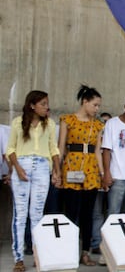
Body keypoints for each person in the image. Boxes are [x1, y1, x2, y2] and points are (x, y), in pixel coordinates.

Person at [6, 90, 60, 272]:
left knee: (37, 215)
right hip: (22, 165)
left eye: (47, 104)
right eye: (43, 104)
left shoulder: (50, 124)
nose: (46, 107)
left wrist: (57, 171)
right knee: (20, 215)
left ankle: (38, 256)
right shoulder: (17, 123)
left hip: (43, 168)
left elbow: (54, 149)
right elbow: (10, 149)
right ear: (32, 105)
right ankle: (19, 259)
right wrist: (17, 168)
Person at [58, 85, 104, 266]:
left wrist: (101, 173)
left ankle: (85, 252)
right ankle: (68, 251)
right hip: (71, 167)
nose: (97, 109)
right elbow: (61, 147)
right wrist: (57, 170)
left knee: (88, 214)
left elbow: (99, 151)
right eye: (95, 105)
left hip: (91, 169)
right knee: (71, 212)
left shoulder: (98, 125)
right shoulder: (67, 120)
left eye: (99, 106)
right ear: (85, 102)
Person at [91, 112, 112, 256]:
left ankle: (110, 243)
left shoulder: (113, 138)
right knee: (97, 213)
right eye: (103, 122)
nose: (105, 125)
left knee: (112, 212)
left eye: (108, 122)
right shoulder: (95, 138)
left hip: (112, 179)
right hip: (97, 179)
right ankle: (97, 243)